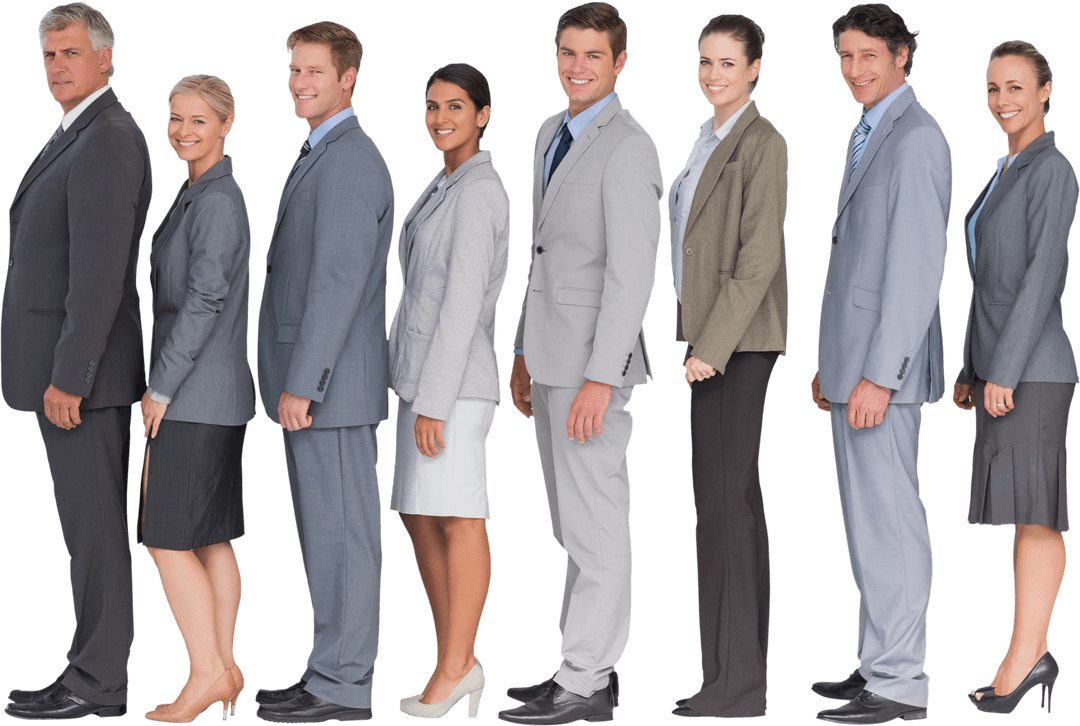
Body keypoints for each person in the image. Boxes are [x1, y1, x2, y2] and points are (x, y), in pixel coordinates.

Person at [498, 3, 662, 724]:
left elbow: (633, 274)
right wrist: (524, 350)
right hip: (550, 354)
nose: (577, 66)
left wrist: (602, 375)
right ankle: (578, 663)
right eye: (568, 52)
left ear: (619, 62)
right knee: (569, 528)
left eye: (592, 55)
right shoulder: (548, 131)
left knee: (596, 525)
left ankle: (588, 683)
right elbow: (539, 257)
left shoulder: (630, 147)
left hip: (594, 367)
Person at [2, 3, 152, 720]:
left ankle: (96, 684)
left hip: (81, 383)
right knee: (82, 532)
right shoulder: (74, 134)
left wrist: (71, 375)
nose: (58, 66)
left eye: (70, 53)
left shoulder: (108, 138)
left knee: (94, 533)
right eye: (49, 56)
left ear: (105, 60)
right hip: (64, 375)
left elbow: (97, 274)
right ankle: (86, 670)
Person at [808, 3, 950, 724]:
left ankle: (900, 682)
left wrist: (879, 373)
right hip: (854, 368)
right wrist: (834, 360)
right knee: (868, 524)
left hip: (882, 379)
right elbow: (857, 261)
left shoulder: (917, 137)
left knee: (891, 523)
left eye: (869, 55)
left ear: (902, 56)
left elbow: (916, 271)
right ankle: (877, 663)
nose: (855, 70)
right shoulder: (872, 130)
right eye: (845, 55)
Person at [254, 20, 393, 724]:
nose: (298, 83)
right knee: (326, 537)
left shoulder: (348, 160)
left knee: (343, 537)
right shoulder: (323, 152)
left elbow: (336, 283)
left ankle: (342, 686)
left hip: (327, 391)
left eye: (313, 71)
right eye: (293, 70)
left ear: (348, 77)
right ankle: (326, 671)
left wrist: (303, 383)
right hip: (319, 387)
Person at [952, 40, 1077, 716]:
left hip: (1035, 369)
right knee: (1024, 516)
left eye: (1017, 88)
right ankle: (1027, 652)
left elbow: (1041, 278)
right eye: (994, 88)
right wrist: (973, 367)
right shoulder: (1005, 169)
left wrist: (1003, 367)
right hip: (1004, 368)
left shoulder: (1052, 168)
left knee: (1037, 514)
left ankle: (1026, 657)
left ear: (1046, 91)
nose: (1003, 100)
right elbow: (988, 287)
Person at [669, 12, 788, 720]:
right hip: (711, 342)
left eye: (726, 64)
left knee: (722, 512)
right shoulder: (708, 139)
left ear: (755, 69)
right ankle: (734, 675)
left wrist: (710, 347)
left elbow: (758, 257)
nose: (714, 75)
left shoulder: (761, 141)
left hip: (735, 347)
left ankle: (734, 686)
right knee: (731, 507)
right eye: (705, 63)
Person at [389, 62, 509, 720]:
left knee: (460, 515)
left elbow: (462, 304)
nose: (440, 117)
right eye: (432, 106)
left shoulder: (479, 191)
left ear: (482, 114)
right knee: (416, 511)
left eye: (456, 106)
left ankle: (458, 665)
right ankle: (453, 655)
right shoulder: (444, 183)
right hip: (425, 379)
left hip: (455, 386)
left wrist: (434, 400)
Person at [137, 73, 254, 724]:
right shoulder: (198, 191)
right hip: (214, 398)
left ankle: (207, 672)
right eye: (176, 119)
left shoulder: (217, 201)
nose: (183, 131)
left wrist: (160, 387)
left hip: (194, 397)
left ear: (226, 125)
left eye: (198, 121)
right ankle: (226, 666)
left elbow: (205, 301)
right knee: (208, 538)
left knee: (166, 536)